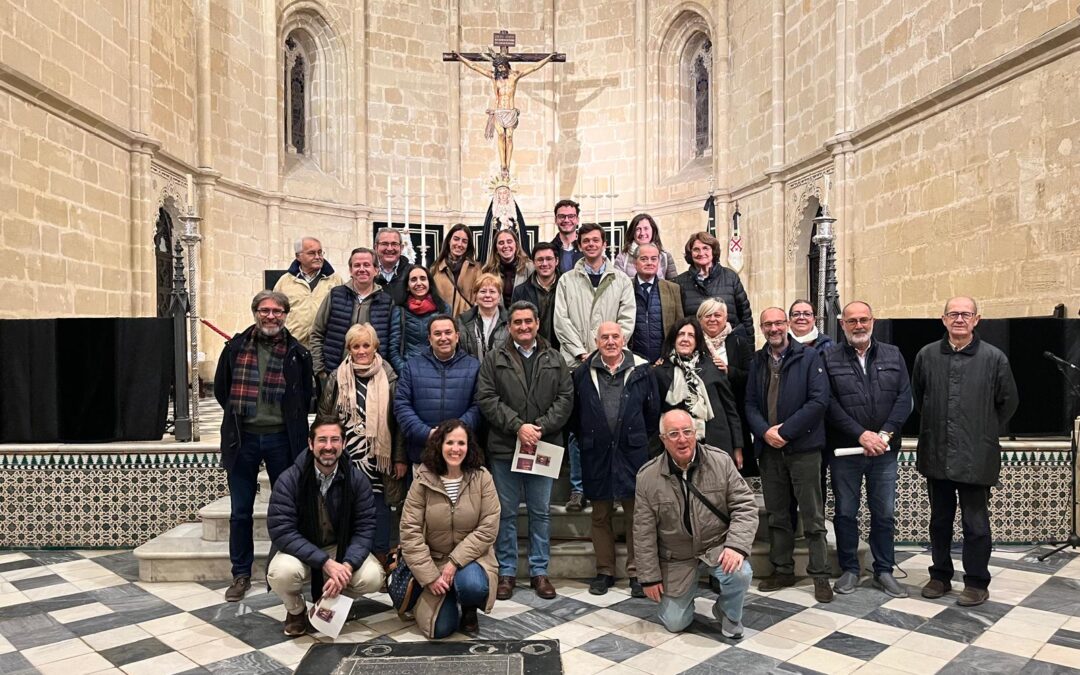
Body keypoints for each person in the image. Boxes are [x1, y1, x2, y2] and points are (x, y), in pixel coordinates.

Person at [912, 296, 1017, 607]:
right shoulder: (927, 355)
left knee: (976, 524)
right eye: (953, 314)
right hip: (937, 453)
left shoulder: (994, 358)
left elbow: (1008, 403)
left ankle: (976, 581)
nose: (959, 319)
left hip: (976, 457)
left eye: (965, 314)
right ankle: (940, 576)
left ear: (977, 319)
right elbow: (920, 397)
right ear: (943, 319)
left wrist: (981, 429)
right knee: (940, 521)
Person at [214, 290, 314, 602]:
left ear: (286, 314)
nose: (271, 316)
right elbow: (222, 390)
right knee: (240, 511)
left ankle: (282, 566)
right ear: (256, 312)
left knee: (285, 509)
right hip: (242, 439)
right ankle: (240, 573)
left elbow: (306, 394)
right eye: (265, 310)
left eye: (277, 311)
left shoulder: (298, 353)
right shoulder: (235, 347)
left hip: (281, 440)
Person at [476, 300, 574, 601]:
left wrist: (539, 428)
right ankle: (506, 572)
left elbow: (565, 398)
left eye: (528, 322)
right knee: (505, 513)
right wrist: (518, 426)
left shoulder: (555, 358)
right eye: (517, 322)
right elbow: (487, 397)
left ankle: (539, 572)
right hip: (506, 447)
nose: (523, 327)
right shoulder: (494, 359)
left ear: (536, 323)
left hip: (543, 445)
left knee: (540, 512)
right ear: (509, 326)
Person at [634, 410, 758, 636]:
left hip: (716, 547)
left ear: (695, 433)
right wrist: (649, 577)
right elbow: (643, 532)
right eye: (673, 434)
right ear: (663, 439)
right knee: (675, 623)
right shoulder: (647, 477)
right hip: (676, 557)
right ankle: (680, 601)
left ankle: (727, 612)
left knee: (740, 573)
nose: (682, 439)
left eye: (687, 431)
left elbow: (745, 506)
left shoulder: (720, 461)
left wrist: (736, 546)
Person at [823, 301, 912, 598]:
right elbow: (829, 404)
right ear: (842, 324)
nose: (859, 325)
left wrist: (884, 435)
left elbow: (904, 398)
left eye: (864, 319)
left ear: (873, 320)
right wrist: (861, 435)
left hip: (884, 452)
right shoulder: (829, 356)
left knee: (884, 513)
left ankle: (884, 570)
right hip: (846, 452)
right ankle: (850, 569)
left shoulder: (893, 354)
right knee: (846, 512)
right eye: (852, 321)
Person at [265, 418, 385, 636]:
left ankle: (330, 602)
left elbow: (365, 528)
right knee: (281, 573)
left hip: (340, 549)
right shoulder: (290, 479)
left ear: (344, 443)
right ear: (311, 444)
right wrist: (325, 563)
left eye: (334, 440)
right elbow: (282, 531)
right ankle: (296, 610)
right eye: (322, 440)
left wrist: (347, 565)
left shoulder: (356, 480)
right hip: (301, 550)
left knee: (373, 577)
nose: (328, 446)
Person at [745, 307, 832, 602]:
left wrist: (786, 431)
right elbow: (750, 405)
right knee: (778, 515)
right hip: (770, 451)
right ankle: (782, 569)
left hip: (804, 449)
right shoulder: (758, 361)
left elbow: (819, 401)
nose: (774, 328)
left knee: (812, 514)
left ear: (787, 325)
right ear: (762, 327)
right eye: (767, 324)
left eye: (778, 322)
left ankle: (820, 574)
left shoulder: (809, 358)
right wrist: (765, 432)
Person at [571, 322, 659, 597]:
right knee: (600, 515)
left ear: (624, 340)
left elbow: (653, 413)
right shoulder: (582, 373)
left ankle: (637, 572)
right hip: (596, 452)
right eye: (604, 337)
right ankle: (605, 571)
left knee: (636, 515)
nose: (610, 341)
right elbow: (575, 415)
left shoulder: (643, 371)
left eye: (615, 337)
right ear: (595, 341)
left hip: (632, 453)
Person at [553, 222, 635, 511]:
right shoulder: (567, 281)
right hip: (576, 364)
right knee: (578, 428)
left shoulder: (621, 280)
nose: (590, 244)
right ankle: (578, 488)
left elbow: (626, 320)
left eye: (595, 240)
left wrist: (604, 351)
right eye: (585, 241)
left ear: (604, 244)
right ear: (580, 245)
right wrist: (581, 352)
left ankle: (609, 488)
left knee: (610, 426)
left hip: (612, 362)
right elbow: (560, 321)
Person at [399, 420, 501, 638]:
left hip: (472, 559)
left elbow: (488, 527)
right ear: (439, 445)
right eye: (450, 443)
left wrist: (454, 562)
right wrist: (429, 577)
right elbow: (410, 532)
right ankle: (434, 597)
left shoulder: (482, 477)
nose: (456, 449)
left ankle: (469, 608)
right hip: (433, 561)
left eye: (461, 443)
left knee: (473, 586)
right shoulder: (423, 480)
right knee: (441, 630)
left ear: (469, 446)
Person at [318, 323, 406, 573]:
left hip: (379, 455)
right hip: (346, 454)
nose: (361, 351)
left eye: (366, 345)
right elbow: (325, 416)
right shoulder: (338, 377)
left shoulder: (388, 375)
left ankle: (379, 554)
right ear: (349, 348)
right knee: (347, 503)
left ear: (375, 346)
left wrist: (399, 457)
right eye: (355, 346)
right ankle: (350, 552)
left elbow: (398, 421)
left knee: (378, 505)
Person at [653, 318, 743, 470]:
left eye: (691, 335)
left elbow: (730, 410)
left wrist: (737, 447)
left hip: (717, 444)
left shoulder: (712, 367)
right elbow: (654, 415)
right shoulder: (659, 372)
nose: (685, 339)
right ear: (673, 339)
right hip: (678, 449)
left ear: (697, 341)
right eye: (681, 334)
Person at [394, 316, 483, 467]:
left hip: (461, 455)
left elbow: (479, 405)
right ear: (429, 338)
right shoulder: (412, 366)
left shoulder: (474, 367)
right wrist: (427, 434)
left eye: (448, 332)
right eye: (437, 333)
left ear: (457, 336)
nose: (443, 338)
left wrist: (454, 434)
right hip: (422, 453)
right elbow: (402, 405)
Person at [451, 50, 558, 176]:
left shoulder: (514, 76)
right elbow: (474, 66)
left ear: (506, 65)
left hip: (510, 111)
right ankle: (503, 166)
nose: (500, 70)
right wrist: (460, 57)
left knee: (509, 137)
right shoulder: (494, 77)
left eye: (501, 66)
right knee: (501, 135)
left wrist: (549, 58)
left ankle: (508, 165)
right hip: (499, 111)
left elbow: (534, 67)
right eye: (498, 67)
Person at [310, 247, 394, 379]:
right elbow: (317, 333)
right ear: (350, 270)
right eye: (357, 265)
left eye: (367, 265)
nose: (362, 269)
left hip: (373, 376)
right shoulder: (335, 295)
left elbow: (390, 342)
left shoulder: (386, 301)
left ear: (376, 270)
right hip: (334, 373)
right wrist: (320, 369)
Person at [697, 299, 756, 476]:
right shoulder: (694, 342)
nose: (713, 319)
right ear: (700, 319)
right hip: (706, 414)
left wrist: (728, 371)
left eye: (717, 315)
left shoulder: (738, 341)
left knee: (735, 469)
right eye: (708, 315)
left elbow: (750, 376)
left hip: (735, 411)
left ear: (726, 318)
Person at [674, 232, 753, 338]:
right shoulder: (679, 282)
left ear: (713, 251)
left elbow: (745, 316)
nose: (701, 253)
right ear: (690, 254)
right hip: (697, 347)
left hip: (730, 346)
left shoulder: (730, 277)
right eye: (696, 249)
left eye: (706, 248)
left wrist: (749, 350)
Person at [272, 237, 343, 348]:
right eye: (312, 253)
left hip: (325, 347)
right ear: (298, 256)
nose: (318, 257)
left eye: (320, 252)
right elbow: (275, 314)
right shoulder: (284, 282)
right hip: (293, 347)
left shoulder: (336, 280)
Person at [389, 266, 450, 373]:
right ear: (407, 286)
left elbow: (450, 344)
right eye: (413, 280)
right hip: (409, 370)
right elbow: (393, 350)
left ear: (429, 283)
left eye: (423, 278)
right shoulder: (399, 311)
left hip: (438, 371)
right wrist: (406, 372)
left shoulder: (443, 309)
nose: (418, 283)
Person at [629, 243, 683, 364]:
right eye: (644, 259)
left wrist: (669, 355)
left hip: (664, 362)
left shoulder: (673, 289)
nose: (649, 263)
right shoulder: (625, 287)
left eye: (654, 259)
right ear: (635, 263)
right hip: (633, 362)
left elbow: (679, 326)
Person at [511, 242, 561, 350]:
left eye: (549, 259)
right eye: (540, 259)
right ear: (533, 262)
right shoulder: (520, 291)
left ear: (556, 261)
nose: (544, 263)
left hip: (562, 349)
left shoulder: (567, 287)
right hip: (531, 350)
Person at [430, 224, 480, 318]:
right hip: (443, 325)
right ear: (449, 240)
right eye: (456, 239)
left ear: (468, 245)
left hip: (467, 324)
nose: (459, 244)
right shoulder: (435, 269)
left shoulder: (476, 269)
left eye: (464, 241)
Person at [457, 273, 509, 362]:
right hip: (472, 373)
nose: (487, 295)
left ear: (499, 296)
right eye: (483, 291)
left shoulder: (510, 321)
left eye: (492, 291)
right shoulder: (462, 321)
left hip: (501, 373)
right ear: (475, 295)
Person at [613, 213, 678, 280]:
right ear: (632, 232)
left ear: (653, 230)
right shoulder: (622, 257)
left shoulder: (665, 257)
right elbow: (618, 285)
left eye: (646, 228)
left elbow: (673, 286)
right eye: (638, 229)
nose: (642, 233)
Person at [481, 229, 533, 307]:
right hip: (497, 316)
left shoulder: (530, 268)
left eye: (509, 242)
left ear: (516, 245)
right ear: (496, 248)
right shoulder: (487, 270)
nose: (505, 246)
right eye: (501, 243)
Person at [374, 228, 415, 304]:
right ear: (376, 247)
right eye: (384, 244)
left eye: (394, 244)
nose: (389, 248)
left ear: (401, 248)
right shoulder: (367, 273)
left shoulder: (412, 272)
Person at [551, 199, 584, 273]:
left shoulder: (587, 248)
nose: (566, 220)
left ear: (577, 219)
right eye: (562, 216)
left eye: (571, 216)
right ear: (555, 220)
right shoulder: (550, 249)